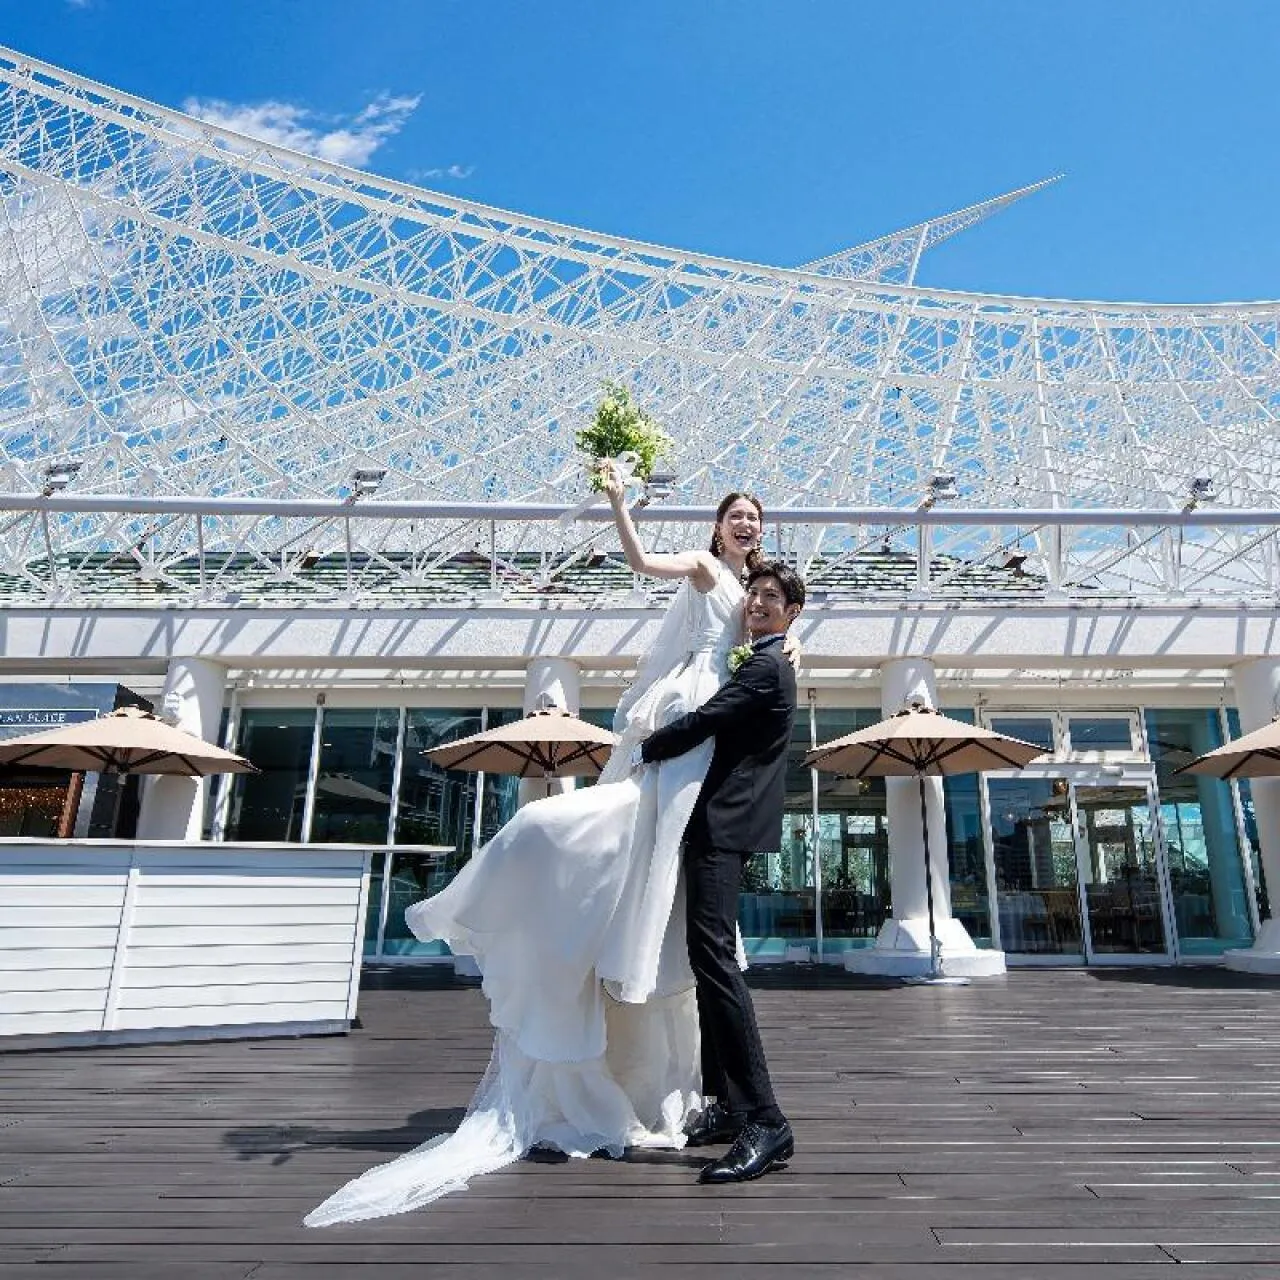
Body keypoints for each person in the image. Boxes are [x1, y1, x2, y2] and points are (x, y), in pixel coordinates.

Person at [305, 470, 769, 1226]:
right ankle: (518, 877)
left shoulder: (757, 593)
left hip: (714, 725)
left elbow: (771, 643)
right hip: (687, 713)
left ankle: (689, 1072)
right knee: (625, 823)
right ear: (718, 527)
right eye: (736, 515)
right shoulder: (703, 569)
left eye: (754, 517)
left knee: (676, 880)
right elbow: (640, 563)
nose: (745, 524)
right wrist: (619, 502)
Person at [640, 560, 805, 1184]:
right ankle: (732, 1105)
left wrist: (648, 746)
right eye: (754, 592)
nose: (757, 601)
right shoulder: (762, 657)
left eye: (772, 596)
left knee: (714, 961)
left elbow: (707, 719)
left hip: (725, 824)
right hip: (719, 822)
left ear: (791, 613)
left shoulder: (766, 667)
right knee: (708, 958)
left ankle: (766, 1118)